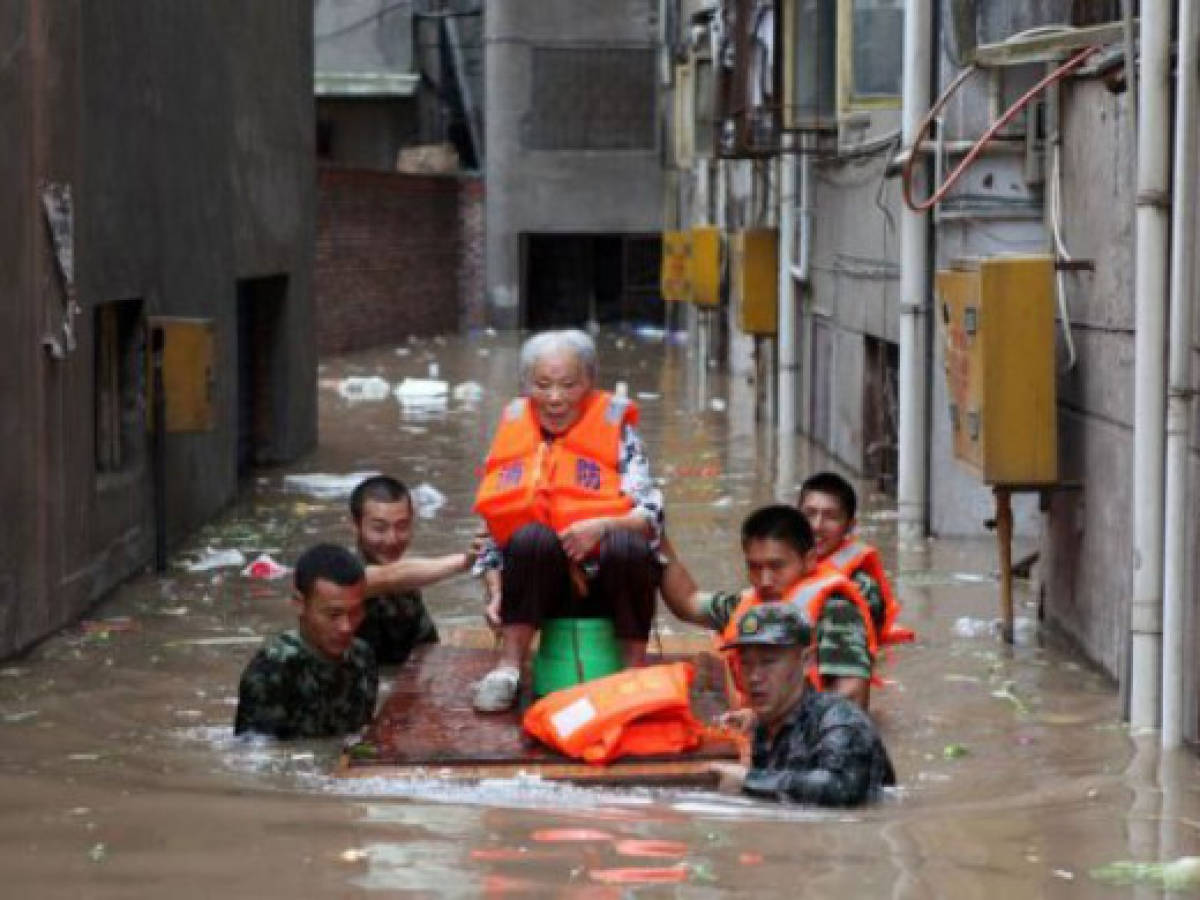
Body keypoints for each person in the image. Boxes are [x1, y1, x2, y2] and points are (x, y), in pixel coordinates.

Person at [471, 329, 665, 712]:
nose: (555, 398)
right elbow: (493, 534)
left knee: (627, 542)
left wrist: (603, 526)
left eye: (568, 385)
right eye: (543, 385)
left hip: (606, 585)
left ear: (589, 383)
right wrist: (496, 593)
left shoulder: (620, 434)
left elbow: (652, 515)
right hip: (540, 591)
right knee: (527, 538)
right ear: (527, 386)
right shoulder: (512, 432)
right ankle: (508, 669)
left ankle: (632, 669)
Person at [659, 505, 877, 709]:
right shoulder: (747, 607)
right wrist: (656, 535)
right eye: (755, 567)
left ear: (809, 560)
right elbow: (688, 602)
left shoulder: (835, 611)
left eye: (776, 566)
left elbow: (852, 693)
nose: (764, 580)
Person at [706, 602, 896, 805]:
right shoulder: (766, 725)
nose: (754, 677)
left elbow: (843, 788)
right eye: (746, 663)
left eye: (768, 662)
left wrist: (749, 781)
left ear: (806, 661)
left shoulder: (841, 721)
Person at [234, 543, 378, 739]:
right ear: (300, 604)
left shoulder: (362, 658)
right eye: (333, 614)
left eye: (355, 612)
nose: (346, 626)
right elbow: (257, 756)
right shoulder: (271, 672)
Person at [349, 475, 478, 666]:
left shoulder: (409, 585)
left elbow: (428, 648)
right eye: (379, 528)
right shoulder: (338, 574)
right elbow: (387, 577)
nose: (392, 539)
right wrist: (465, 561)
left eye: (402, 526)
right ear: (355, 527)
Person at [797, 471, 910, 645]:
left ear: (850, 526)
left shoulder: (860, 588)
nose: (817, 526)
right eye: (809, 514)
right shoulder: (778, 569)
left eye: (831, 517)